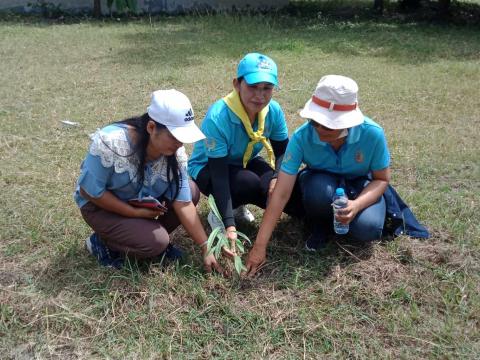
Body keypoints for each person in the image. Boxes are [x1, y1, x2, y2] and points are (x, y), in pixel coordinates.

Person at [246, 75, 392, 276]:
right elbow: (281, 192)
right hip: (320, 183)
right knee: (317, 191)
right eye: (315, 121)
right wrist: (259, 246)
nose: (320, 129)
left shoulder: (372, 134)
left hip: (360, 186)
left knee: (368, 229)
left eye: (329, 125)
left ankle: (340, 221)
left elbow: (381, 179)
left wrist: (356, 205)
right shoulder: (302, 137)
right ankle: (320, 223)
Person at [74, 89, 223, 273]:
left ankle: (140, 235)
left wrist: (206, 247)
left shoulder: (174, 154)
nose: (180, 144)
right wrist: (134, 213)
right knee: (156, 241)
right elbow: (89, 191)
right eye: (175, 136)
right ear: (151, 127)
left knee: (191, 191)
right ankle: (103, 243)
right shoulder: (111, 142)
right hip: (101, 207)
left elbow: (183, 203)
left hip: (138, 201)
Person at [188, 53, 300, 246]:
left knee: (274, 187)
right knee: (246, 183)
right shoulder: (218, 116)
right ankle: (222, 213)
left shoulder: (273, 110)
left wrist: (276, 177)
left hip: (244, 160)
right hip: (209, 167)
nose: (260, 95)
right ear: (236, 84)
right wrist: (229, 225)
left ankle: (238, 204)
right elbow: (220, 176)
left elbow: (283, 152)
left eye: (267, 88)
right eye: (253, 87)